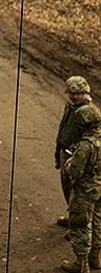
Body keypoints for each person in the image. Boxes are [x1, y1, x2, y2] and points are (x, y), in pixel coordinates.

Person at [61, 108, 101, 273]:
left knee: (80, 224)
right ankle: (95, 257)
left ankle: (81, 263)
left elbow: (75, 170)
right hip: (99, 187)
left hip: (84, 190)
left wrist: (69, 162)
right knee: (98, 221)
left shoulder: (86, 146)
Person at [57, 76, 100, 227]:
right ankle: (73, 219)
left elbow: (93, 137)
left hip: (78, 156)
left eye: (78, 93)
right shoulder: (70, 106)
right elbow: (63, 128)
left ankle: (80, 225)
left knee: (78, 193)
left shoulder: (88, 112)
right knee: (67, 187)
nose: (75, 96)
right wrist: (58, 151)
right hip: (65, 151)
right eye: (71, 93)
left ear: (85, 92)